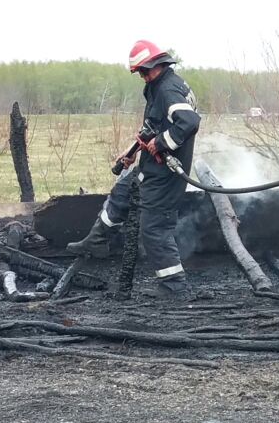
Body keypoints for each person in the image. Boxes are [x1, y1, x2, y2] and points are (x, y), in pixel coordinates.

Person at [67, 40, 200, 300]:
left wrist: (161, 143)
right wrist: (132, 152)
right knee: (122, 192)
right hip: (152, 167)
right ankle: (96, 241)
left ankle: (175, 287)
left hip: (166, 175)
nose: (142, 76)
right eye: (139, 72)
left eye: (144, 71)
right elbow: (153, 126)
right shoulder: (158, 86)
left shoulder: (168, 89)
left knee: (154, 229)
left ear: (157, 65)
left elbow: (189, 122)